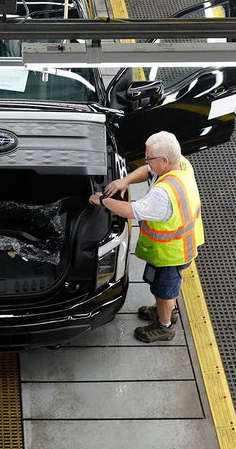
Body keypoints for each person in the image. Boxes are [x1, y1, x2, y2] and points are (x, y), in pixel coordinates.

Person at [89, 131, 204, 343]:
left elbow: (130, 211)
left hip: (172, 253)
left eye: (149, 157)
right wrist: (126, 180)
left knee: (165, 290)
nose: (145, 160)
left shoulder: (164, 195)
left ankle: (164, 326)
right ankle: (164, 310)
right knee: (166, 288)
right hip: (179, 245)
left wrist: (102, 200)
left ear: (164, 160)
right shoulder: (181, 164)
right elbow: (148, 171)